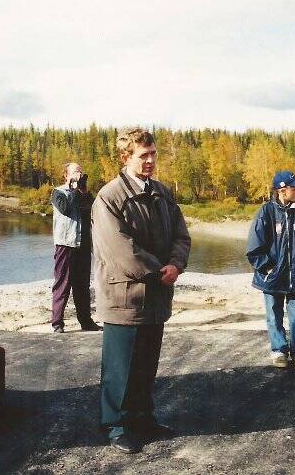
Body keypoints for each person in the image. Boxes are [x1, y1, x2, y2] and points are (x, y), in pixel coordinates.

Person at [92, 128, 191, 454]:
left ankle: (143, 419)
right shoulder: (109, 197)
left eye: (153, 154)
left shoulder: (162, 193)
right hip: (125, 298)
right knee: (121, 368)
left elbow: (181, 235)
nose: (150, 161)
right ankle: (117, 426)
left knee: (146, 364)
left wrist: (175, 265)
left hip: (157, 296)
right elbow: (119, 250)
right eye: (142, 155)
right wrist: (156, 272)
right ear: (126, 157)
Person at [246, 171, 295, 369]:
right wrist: (267, 268)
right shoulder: (267, 212)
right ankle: (279, 350)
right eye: (294, 187)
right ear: (282, 190)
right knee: (274, 315)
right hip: (272, 277)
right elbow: (254, 245)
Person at [51, 162, 101, 333]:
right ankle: (57, 323)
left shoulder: (83, 194)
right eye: (75, 172)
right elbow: (65, 209)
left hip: (83, 246)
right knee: (62, 285)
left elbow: (94, 211)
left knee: (82, 286)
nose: (79, 174)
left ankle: (86, 322)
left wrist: (84, 192)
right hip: (66, 245)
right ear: (66, 175)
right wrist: (73, 188)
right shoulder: (58, 193)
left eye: (80, 171)